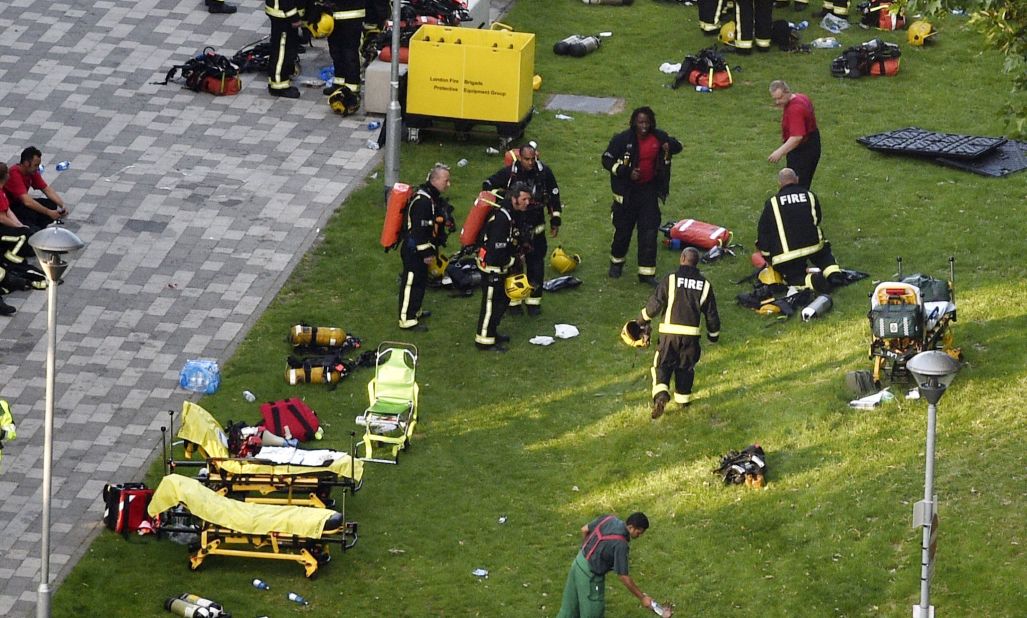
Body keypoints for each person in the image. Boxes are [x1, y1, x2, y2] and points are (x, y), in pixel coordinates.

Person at [635, 247, 720, 419]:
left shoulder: (670, 280)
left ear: (682, 258)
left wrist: (641, 320)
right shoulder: (705, 285)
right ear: (696, 262)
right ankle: (683, 400)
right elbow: (711, 314)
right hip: (691, 337)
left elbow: (656, 304)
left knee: (662, 365)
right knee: (685, 369)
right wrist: (713, 335)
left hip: (669, 335)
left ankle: (661, 395)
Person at [602, 107, 682, 286]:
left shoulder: (659, 137)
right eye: (640, 122)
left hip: (648, 192)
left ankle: (646, 273)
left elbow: (678, 146)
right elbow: (606, 160)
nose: (644, 126)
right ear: (634, 123)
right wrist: (626, 172)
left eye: (647, 122)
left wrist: (669, 146)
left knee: (649, 232)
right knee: (622, 232)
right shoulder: (622, 139)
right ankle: (616, 263)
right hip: (627, 194)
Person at [482, 142, 562, 315]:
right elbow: (488, 184)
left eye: (533, 159)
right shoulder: (510, 173)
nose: (531, 162)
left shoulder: (544, 172)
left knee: (536, 266)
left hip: (536, 229)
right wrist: (503, 201)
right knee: (514, 266)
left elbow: (554, 196)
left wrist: (555, 220)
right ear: (520, 158)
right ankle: (513, 302)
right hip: (516, 230)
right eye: (527, 159)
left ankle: (533, 302)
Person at [557, 512, 672, 618]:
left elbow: (584, 530)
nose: (639, 535)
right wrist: (642, 598)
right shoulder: (621, 544)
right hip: (590, 576)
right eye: (639, 532)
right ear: (631, 527)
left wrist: (587, 551)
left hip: (578, 563)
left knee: (568, 611)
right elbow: (623, 576)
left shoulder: (608, 518)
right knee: (593, 613)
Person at [756, 168, 843, 292]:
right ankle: (833, 273)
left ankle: (813, 281)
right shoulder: (809, 195)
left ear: (779, 183)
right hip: (814, 246)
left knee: (793, 276)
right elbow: (817, 218)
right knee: (824, 256)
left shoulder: (772, 203)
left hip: (787, 255)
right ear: (796, 179)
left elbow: (763, 231)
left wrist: (766, 255)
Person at [474, 183, 532, 352]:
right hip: (493, 269)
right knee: (491, 305)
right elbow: (497, 252)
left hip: (501, 267)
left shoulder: (511, 214)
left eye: (529, 199)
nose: (527, 202)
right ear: (514, 199)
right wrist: (513, 261)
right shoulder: (502, 219)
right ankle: (484, 340)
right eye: (524, 199)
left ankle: (492, 332)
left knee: (501, 302)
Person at [398, 163, 453, 332]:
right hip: (415, 250)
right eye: (446, 180)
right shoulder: (423, 202)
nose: (448, 184)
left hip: (420, 249)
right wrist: (427, 253)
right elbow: (418, 232)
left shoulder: (430, 198)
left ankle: (416, 311)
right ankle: (406, 319)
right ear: (435, 180)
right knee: (411, 283)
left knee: (420, 282)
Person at [768, 80, 821, 189]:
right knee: (803, 181)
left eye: (780, 98)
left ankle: (800, 204)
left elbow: (797, 137)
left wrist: (779, 152)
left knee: (797, 184)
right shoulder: (801, 97)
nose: (778, 102)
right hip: (812, 140)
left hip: (803, 150)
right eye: (775, 99)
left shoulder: (795, 110)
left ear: (787, 92)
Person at [321, 0, 372, 115]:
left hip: (352, 14)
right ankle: (339, 82)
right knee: (336, 51)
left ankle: (352, 88)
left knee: (350, 53)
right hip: (333, 13)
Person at [4, 147, 68, 231]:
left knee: (51, 204)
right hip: (11, 208)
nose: (38, 168)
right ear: (26, 163)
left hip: (21, 204)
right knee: (32, 217)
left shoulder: (31, 172)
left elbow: (46, 189)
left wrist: (62, 205)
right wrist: (48, 212)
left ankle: (41, 225)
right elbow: (27, 202)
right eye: (36, 165)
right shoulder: (14, 174)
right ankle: (36, 228)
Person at [265, 0, 305, 98]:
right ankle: (278, 86)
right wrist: (295, 18)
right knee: (281, 52)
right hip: (283, 15)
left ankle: (283, 75)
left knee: (285, 49)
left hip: (284, 13)